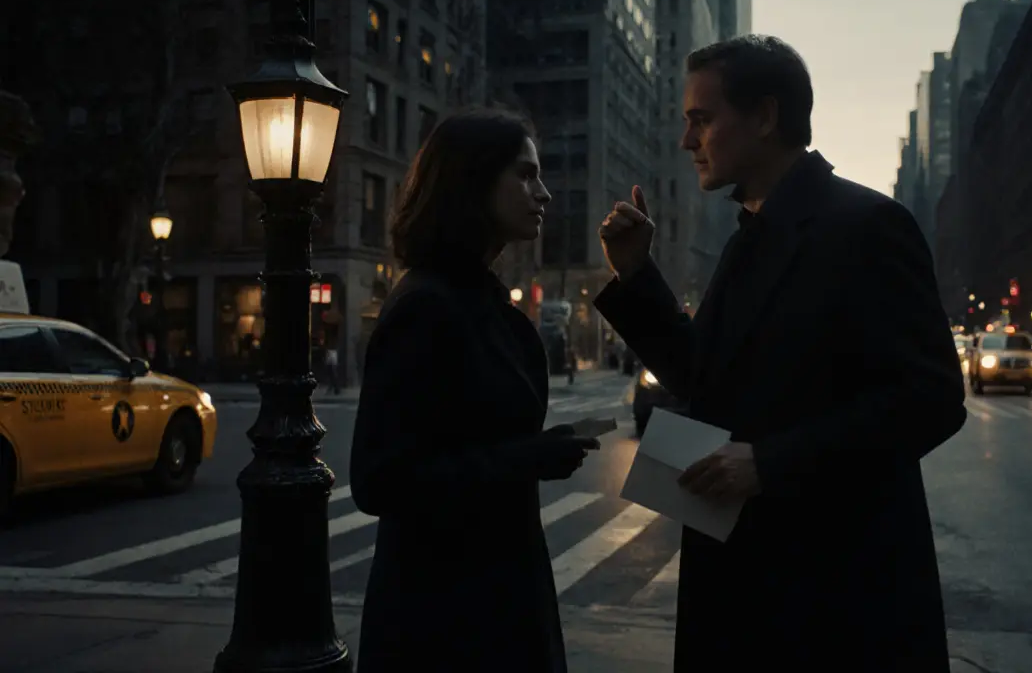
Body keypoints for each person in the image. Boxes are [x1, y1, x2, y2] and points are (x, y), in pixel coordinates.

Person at [594, 35, 966, 671]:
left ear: (765, 117)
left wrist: (771, 461)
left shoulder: (867, 225)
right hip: (745, 578)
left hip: (835, 601)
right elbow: (699, 371)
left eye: (702, 120)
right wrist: (637, 275)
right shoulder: (751, 235)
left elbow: (932, 400)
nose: (688, 142)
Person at [348, 108, 601, 673]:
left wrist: (534, 452)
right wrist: (525, 459)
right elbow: (380, 480)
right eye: (525, 174)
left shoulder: (475, 297)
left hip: (496, 595)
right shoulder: (427, 306)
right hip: (444, 617)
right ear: (472, 179)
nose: (544, 194)